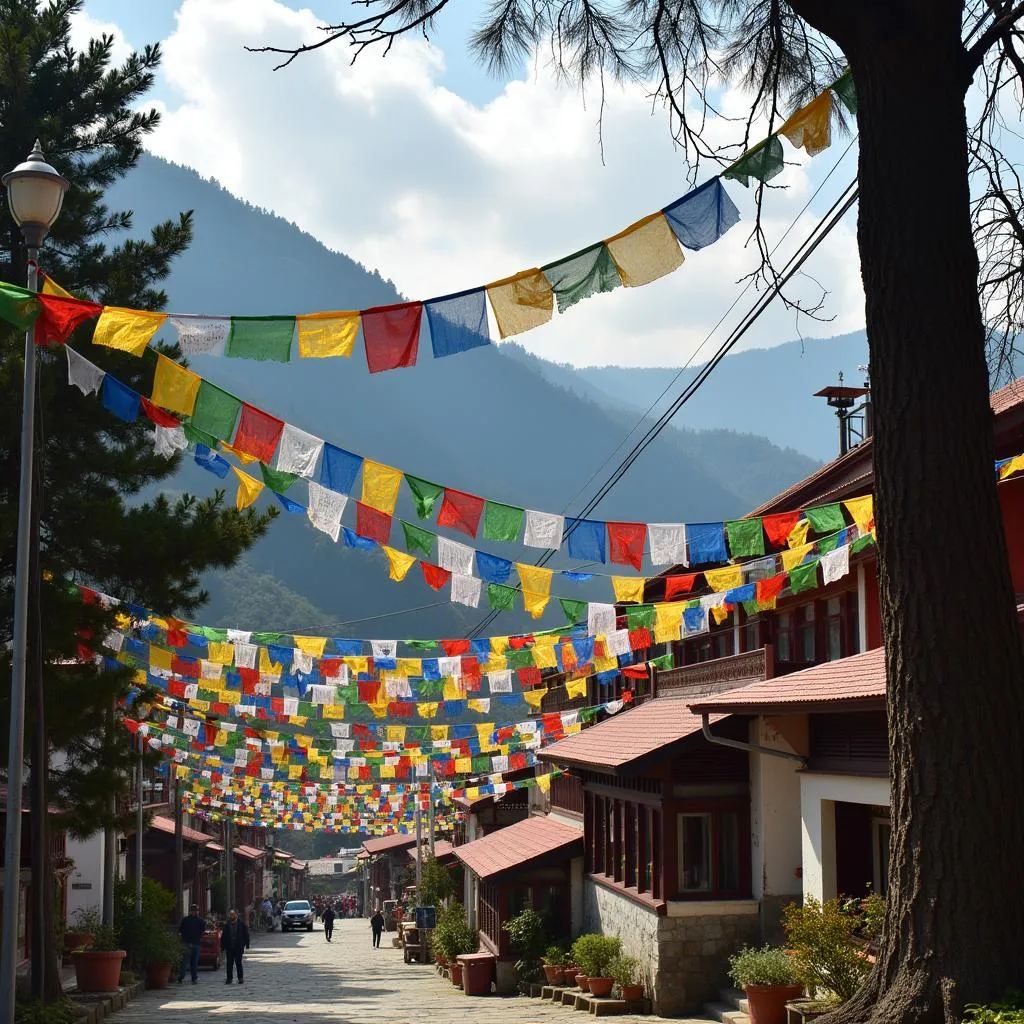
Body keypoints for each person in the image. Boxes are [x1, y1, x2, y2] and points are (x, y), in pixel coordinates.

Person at [220, 909, 251, 985]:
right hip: (229, 947)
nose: (232, 916)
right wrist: (222, 946)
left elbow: (246, 935)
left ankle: (240, 978)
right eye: (231, 915)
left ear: (236, 915)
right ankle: (229, 978)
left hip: (238, 947)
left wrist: (247, 944)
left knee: (238, 963)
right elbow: (223, 936)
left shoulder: (241, 924)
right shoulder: (227, 925)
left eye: (233, 914)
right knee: (229, 964)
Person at [177, 904, 205, 984]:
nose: (195, 912)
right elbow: (202, 932)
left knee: (186, 962)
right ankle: (191, 977)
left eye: (195, 911)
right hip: (194, 943)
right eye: (195, 911)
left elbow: (180, 931)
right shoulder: (200, 921)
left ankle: (184, 977)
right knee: (192, 962)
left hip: (188, 943)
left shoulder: (185, 920)